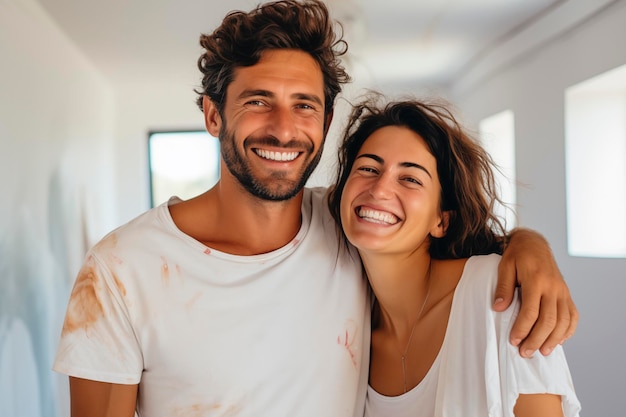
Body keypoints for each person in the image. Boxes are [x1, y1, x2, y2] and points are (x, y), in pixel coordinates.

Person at [52, 1, 577, 416]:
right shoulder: (119, 270)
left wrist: (529, 246)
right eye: (258, 100)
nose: (284, 128)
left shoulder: (348, 225)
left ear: (325, 123)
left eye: (304, 105)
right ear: (213, 115)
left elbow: (428, 230)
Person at [327, 96, 581, 416]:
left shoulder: (497, 294)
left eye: (410, 178)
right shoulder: (350, 323)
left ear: (441, 220)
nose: (379, 190)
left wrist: (531, 243)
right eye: (368, 168)